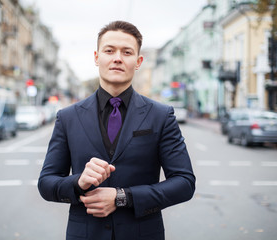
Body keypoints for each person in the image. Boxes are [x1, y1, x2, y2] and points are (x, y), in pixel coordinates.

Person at [38, 20, 196, 240]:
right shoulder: (68, 117)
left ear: (138, 61)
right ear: (96, 57)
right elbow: (46, 183)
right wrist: (79, 183)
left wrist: (122, 197)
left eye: (127, 52)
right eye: (109, 50)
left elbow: (184, 183)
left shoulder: (161, 115)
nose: (117, 58)